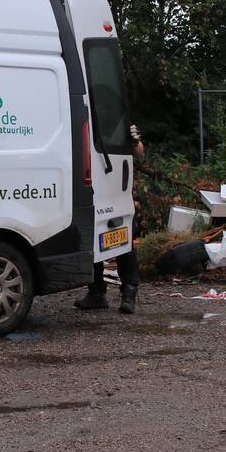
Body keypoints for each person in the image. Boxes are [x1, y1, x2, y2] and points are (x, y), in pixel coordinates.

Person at [75, 125, 145, 314]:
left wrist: (134, 140)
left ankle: (129, 292)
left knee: (122, 238)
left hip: (116, 187)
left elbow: (139, 152)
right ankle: (97, 292)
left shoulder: (117, 121)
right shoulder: (85, 118)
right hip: (94, 188)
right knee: (93, 237)